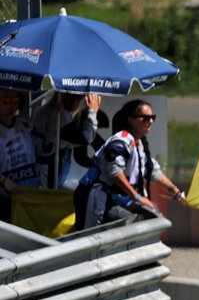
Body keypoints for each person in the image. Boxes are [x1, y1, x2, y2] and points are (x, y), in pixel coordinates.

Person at [74, 98, 185, 230]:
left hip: (107, 198)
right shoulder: (122, 140)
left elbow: (153, 171)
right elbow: (114, 172)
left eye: (152, 117)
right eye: (144, 117)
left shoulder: (138, 144)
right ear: (130, 119)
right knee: (88, 238)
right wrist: (137, 197)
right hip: (93, 195)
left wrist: (176, 192)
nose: (149, 121)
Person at [32, 90, 108, 189]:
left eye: (79, 97)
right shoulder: (58, 116)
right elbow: (85, 139)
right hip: (49, 171)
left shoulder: (45, 110)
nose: (75, 102)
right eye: (70, 97)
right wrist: (92, 112)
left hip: (46, 166)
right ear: (61, 95)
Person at [0, 87, 42, 224]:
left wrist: (54, 118)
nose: (11, 105)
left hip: (30, 194)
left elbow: (44, 147)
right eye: (5, 101)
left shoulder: (25, 124)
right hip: (6, 200)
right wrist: (3, 180)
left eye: (14, 100)